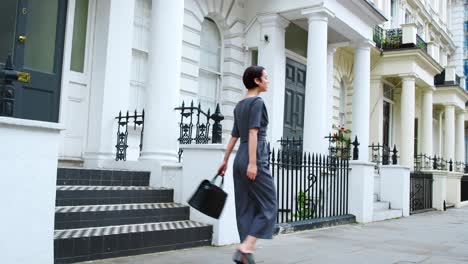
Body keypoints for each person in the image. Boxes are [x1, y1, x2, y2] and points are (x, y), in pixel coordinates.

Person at [217, 66, 277, 264]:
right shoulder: (257, 102)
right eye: (266, 78)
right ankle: (246, 246)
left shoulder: (240, 104)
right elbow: (252, 133)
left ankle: (245, 256)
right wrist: (253, 163)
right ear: (257, 81)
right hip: (254, 155)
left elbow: (234, 136)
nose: (268, 81)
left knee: (245, 208)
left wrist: (225, 161)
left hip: (239, 158)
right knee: (269, 204)